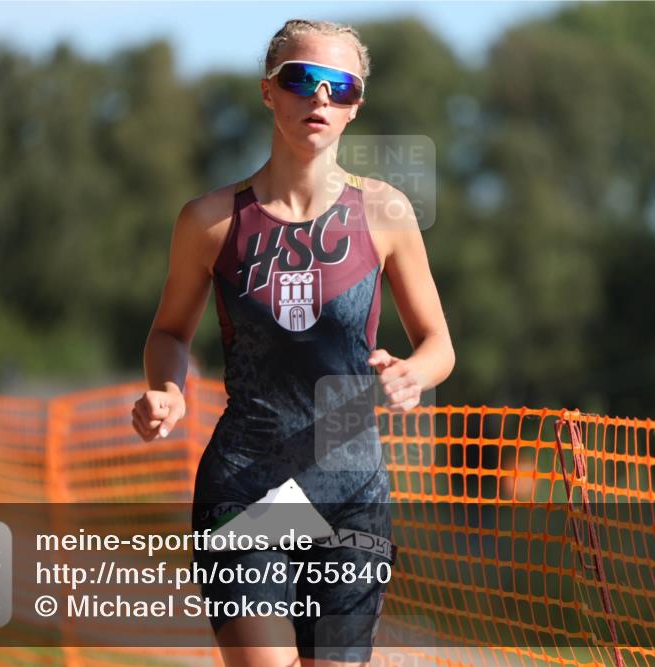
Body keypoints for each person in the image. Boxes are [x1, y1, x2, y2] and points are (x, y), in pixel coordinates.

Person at [132, 18, 455, 667]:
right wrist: (166, 388)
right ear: (268, 91)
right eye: (301, 80)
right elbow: (169, 331)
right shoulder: (211, 220)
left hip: (349, 492)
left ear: (357, 104)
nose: (320, 99)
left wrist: (414, 373)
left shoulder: (385, 213)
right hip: (248, 487)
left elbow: (438, 343)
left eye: (341, 86)